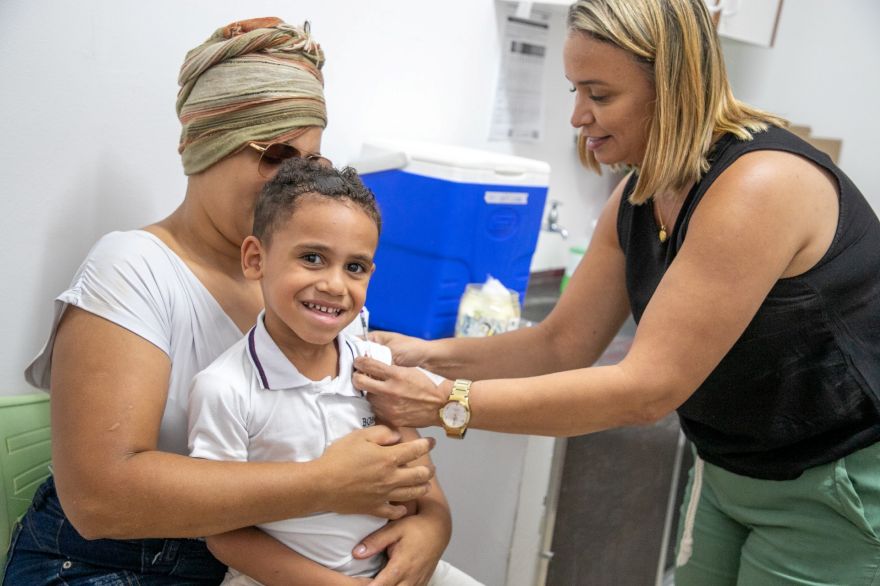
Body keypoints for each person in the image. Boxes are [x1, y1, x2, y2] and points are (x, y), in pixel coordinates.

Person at [352, 1, 880, 584]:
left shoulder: (760, 186)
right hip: (731, 468)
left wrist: (449, 402)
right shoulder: (639, 192)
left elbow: (645, 391)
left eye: (600, 95)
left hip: (838, 482)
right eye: (576, 90)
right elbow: (559, 345)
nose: (578, 115)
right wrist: (423, 356)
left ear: (675, 86)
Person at [4, 18, 444, 586]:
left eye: (309, 162)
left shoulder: (315, 288)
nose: (293, 182)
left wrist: (433, 523)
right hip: (112, 564)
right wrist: (325, 484)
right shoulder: (134, 268)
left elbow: (387, 438)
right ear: (205, 144)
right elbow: (99, 497)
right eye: (274, 154)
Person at [187, 158, 481, 586]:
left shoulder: (375, 368)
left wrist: (433, 529)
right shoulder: (224, 389)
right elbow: (222, 532)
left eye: (355, 267)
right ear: (256, 259)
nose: (335, 285)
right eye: (312, 258)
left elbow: (417, 476)